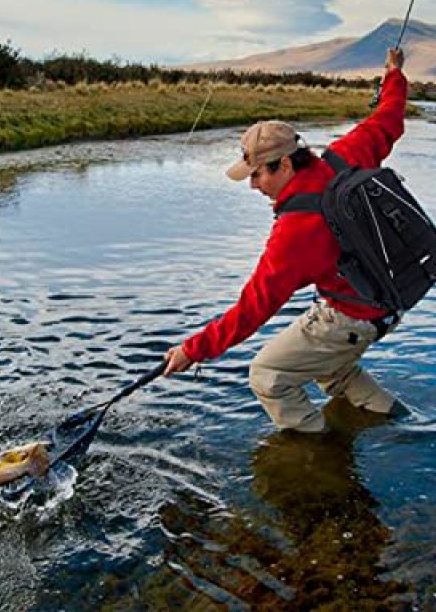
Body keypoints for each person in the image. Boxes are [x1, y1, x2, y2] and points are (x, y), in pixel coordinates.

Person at [164, 48, 409, 433]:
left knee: (268, 374)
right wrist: (394, 74)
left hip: (354, 315)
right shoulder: (345, 155)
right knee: (331, 368)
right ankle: (400, 422)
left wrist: (192, 350)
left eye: (258, 174)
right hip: (388, 302)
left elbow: (252, 310)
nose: (252, 184)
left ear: (286, 164)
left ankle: (315, 462)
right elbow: (388, 118)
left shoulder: (295, 231)